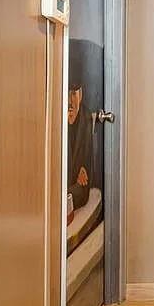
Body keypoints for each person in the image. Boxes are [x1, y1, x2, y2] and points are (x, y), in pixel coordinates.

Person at [66, 54, 93, 211]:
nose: (70, 102)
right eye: (66, 93)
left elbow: (84, 189)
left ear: (80, 94)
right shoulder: (55, 120)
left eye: (73, 94)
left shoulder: (86, 119)